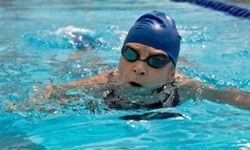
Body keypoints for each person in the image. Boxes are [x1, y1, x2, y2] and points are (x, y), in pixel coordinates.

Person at [42, 10, 250, 110]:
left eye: (156, 61)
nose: (139, 68)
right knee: (86, 58)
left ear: (171, 74)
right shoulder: (101, 84)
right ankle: (83, 44)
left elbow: (232, 97)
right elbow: (50, 92)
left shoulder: (184, 87)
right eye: (130, 54)